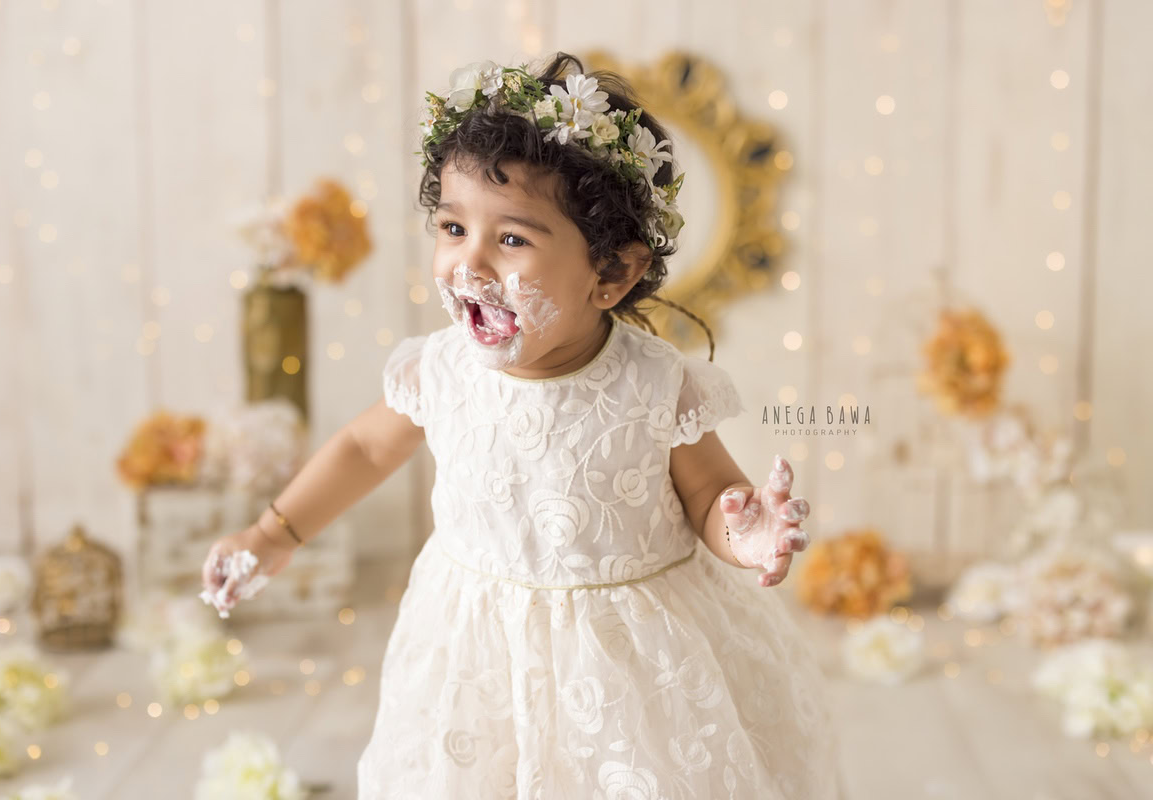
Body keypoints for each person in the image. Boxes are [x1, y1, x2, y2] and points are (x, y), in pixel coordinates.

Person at [201, 52, 840, 799]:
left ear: (611, 275)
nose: (467, 262)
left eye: (511, 240)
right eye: (451, 226)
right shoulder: (440, 370)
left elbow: (709, 498)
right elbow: (364, 447)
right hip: (476, 657)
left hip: (633, 668)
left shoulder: (653, 384)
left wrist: (747, 530)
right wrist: (273, 533)